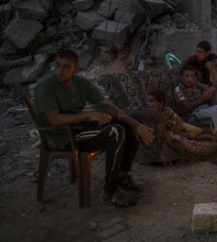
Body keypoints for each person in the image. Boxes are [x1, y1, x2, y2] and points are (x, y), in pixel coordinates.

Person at [34, 49, 154, 207]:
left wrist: (136, 125)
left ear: (76, 69)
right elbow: (54, 120)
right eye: (57, 65)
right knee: (114, 132)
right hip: (61, 136)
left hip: (78, 128)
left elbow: (106, 105)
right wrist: (87, 115)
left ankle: (123, 177)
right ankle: (110, 191)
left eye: (65, 67)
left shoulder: (80, 83)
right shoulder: (46, 86)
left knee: (128, 124)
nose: (59, 71)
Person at [172, 65, 217, 162]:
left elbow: (211, 87)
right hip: (193, 115)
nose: (190, 79)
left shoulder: (196, 84)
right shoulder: (178, 90)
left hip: (206, 109)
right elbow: (188, 107)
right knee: (214, 113)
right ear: (180, 77)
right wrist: (203, 99)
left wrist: (210, 90)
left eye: (192, 76)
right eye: (186, 76)